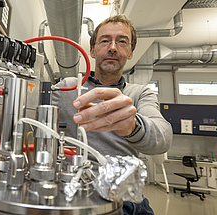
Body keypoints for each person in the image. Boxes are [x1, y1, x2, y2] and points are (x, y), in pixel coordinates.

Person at [51, 15, 173, 214]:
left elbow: (164, 137)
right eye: (105, 40)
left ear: (131, 52)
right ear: (92, 50)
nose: (113, 47)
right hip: (75, 194)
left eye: (122, 41)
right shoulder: (66, 88)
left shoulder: (140, 93)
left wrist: (133, 126)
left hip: (124, 200)